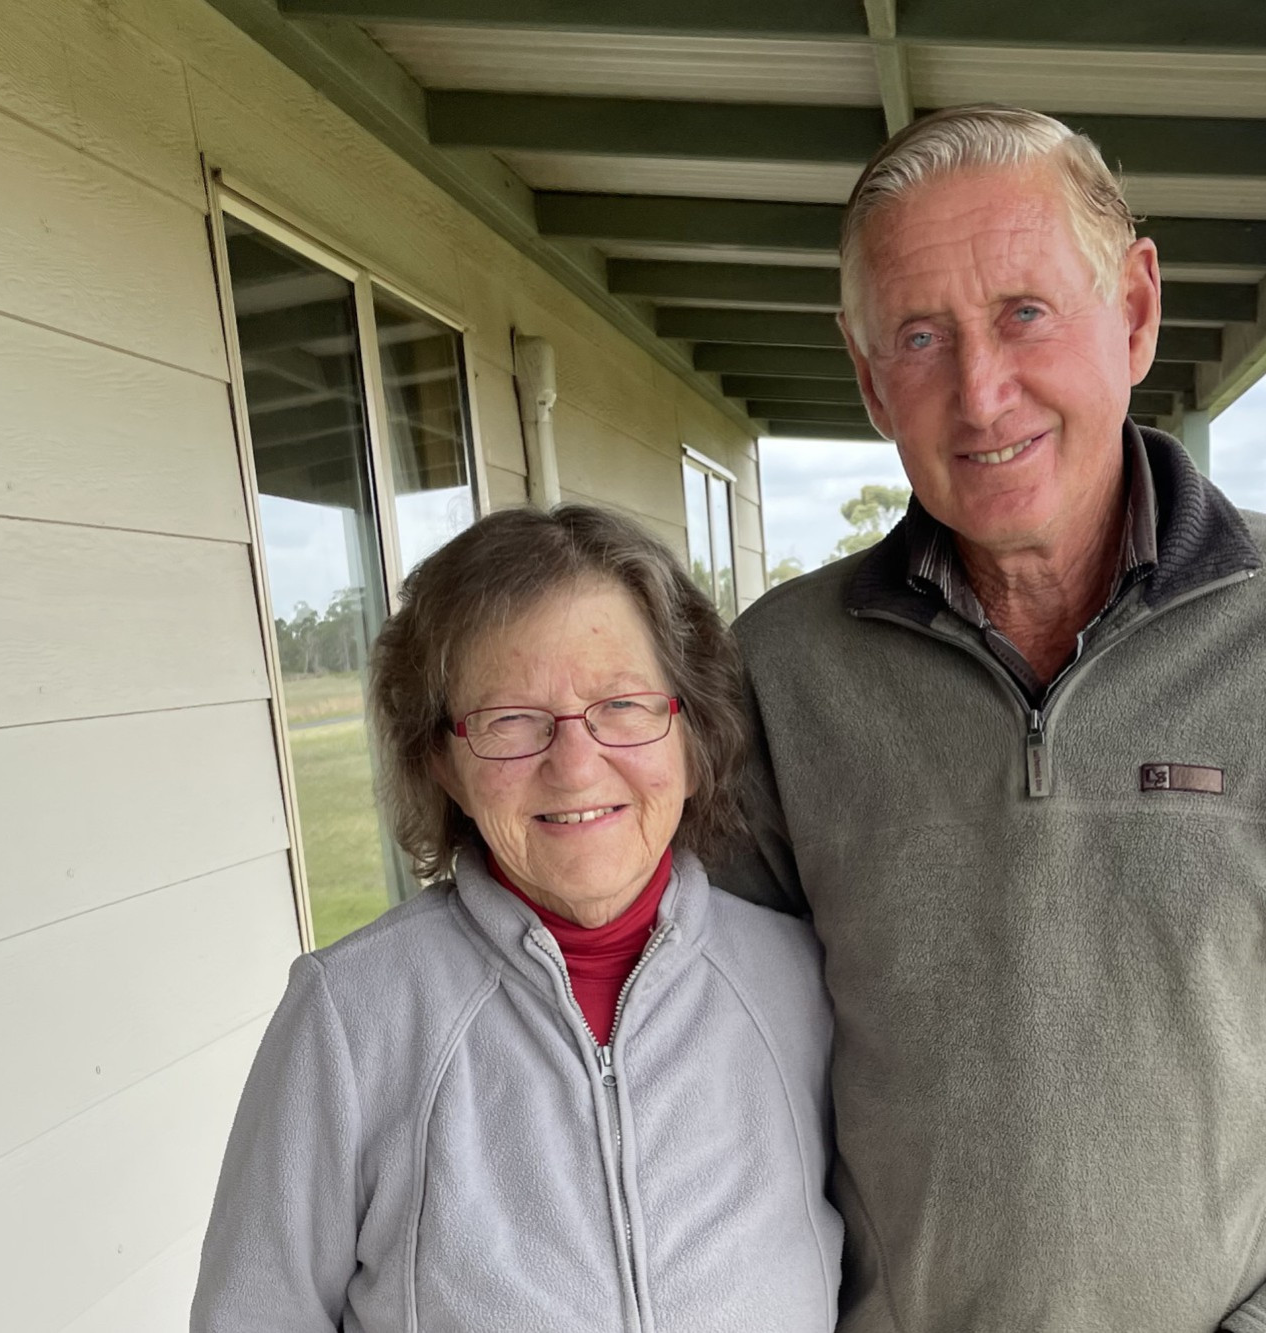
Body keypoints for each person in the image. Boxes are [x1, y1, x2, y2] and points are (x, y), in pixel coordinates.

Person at [717, 105, 1266, 1333]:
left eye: (1024, 314)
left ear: (1136, 310)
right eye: (920, 336)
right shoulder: (781, 669)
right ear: (866, 372)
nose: (981, 394)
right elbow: (718, 1060)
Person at [192, 505, 841, 1333]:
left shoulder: (803, 983)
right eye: (510, 721)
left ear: (691, 729)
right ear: (443, 761)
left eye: (623, 704)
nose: (575, 766)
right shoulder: (347, 1021)